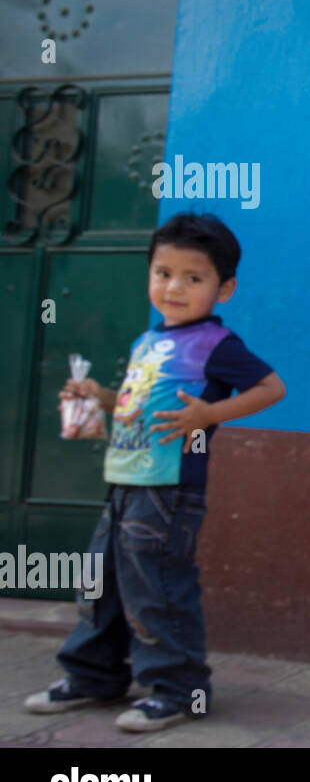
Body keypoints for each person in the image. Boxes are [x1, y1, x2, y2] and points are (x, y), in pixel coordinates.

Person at [24, 212, 286, 732]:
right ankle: (94, 676)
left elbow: (271, 387)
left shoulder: (216, 344)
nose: (174, 287)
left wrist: (209, 414)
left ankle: (178, 689)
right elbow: (132, 405)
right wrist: (94, 397)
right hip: (124, 483)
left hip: (170, 491)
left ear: (224, 289)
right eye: (163, 273)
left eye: (194, 278)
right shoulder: (147, 343)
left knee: (158, 588)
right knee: (99, 584)